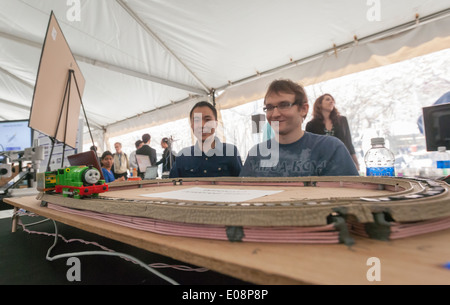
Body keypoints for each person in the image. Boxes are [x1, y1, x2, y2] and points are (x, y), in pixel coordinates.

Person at [240, 79, 359, 177]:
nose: (275, 114)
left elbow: (351, 201)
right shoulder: (256, 155)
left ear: (303, 109)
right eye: (270, 107)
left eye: (284, 105)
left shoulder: (330, 148)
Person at [169, 101, 242, 178]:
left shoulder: (231, 152)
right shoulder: (183, 156)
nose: (202, 125)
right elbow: (171, 186)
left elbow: (243, 185)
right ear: (192, 125)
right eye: (197, 120)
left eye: (207, 119)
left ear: (216, 124)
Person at [305, 93, 360, 170]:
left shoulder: (342, 120)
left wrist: (356, 163)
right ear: (319, 104)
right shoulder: (311, 125)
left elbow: (348, 142)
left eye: (333, 100)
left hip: (343, 160)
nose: (331, 102)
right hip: (322, 165)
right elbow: (309, 149)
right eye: (327, 99)